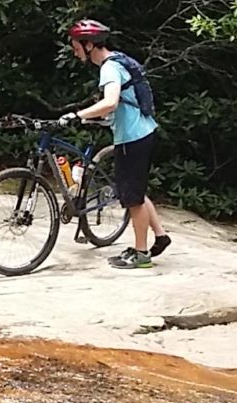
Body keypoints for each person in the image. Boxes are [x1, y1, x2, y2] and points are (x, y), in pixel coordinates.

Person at [65, 19, 170, 270]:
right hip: (139, 132)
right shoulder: (117, 60)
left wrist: (78, 115)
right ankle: (161, 235)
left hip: (134, 137)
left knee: (132, 197)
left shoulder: (109, 68)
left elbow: (111, 102)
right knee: (136, 190)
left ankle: (141, 253)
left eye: (76, 45)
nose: (74, 50)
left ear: (89, 44)